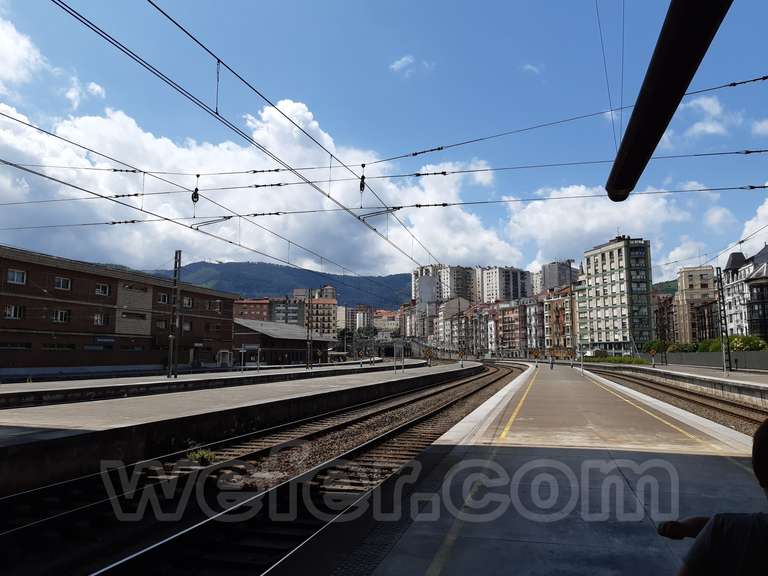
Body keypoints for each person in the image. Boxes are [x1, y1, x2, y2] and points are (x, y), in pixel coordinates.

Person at [658, 418, 768, 575]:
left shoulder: (725, 529)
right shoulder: (724, 528)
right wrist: (687, 528)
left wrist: (686, 528)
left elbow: (723, 530)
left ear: (759, 475)